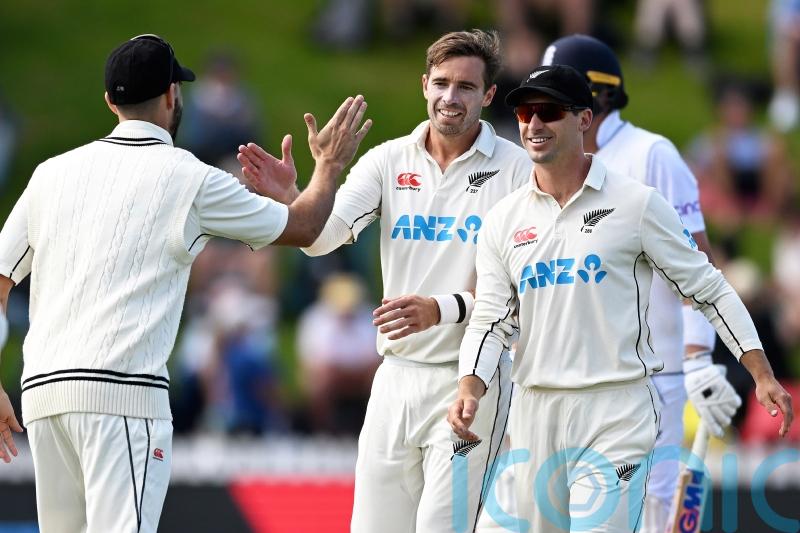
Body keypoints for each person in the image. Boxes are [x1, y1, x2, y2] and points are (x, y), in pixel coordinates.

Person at [0, 33, 371, 533]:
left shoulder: (50, 174)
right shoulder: (189, 177)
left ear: (110, 100)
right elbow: (306, 228)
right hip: (123, 397)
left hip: (44, 398)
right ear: (174, 95)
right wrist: (327, 167)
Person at [448, 64, 794, 532]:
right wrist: (471, 386)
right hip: (533, 411)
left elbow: (709, 288)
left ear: (585, 120)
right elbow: (491, 320)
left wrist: (761, 371)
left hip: (616, 409)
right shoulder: (502, 220)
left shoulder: (637, 204)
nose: (533, 124)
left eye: (549, 111)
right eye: (527, 111)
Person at [238, 29, 533, 533]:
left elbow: (520, 291)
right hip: (394, 376)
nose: (450, 97)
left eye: (466, 87)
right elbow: (320, 237)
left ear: (488, 96)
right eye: (441, 83)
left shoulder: (517, 170)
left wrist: (440, 308)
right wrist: (301, 191)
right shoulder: (388, 160)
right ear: (424, 85)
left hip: (470, 379)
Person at [538, 34, 745, 531]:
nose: (540, 115)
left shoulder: (652, 155)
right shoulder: (547, 166)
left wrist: (698, 359)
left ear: (594, 98)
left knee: (651, 516)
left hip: (654, 379)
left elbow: (697, 268)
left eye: (554, 99)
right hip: (570, 380)